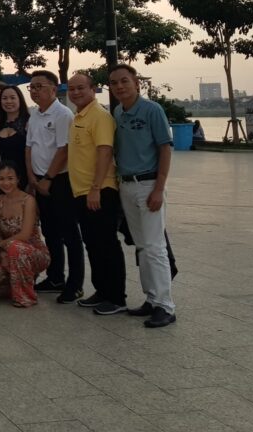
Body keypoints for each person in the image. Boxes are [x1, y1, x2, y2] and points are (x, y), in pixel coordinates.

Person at [109, 64, 176, 328]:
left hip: (149, 184)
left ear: (137, 82)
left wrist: (159, 188)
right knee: (141, 246)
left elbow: (165, 148)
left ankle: (165, 305)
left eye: (124, 81)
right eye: (114, 83)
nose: (119, 86)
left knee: (155, 246)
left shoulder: (152, 110)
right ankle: (151, 299)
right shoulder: (117, 112)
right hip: (126, 184)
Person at [66, 73, 126, 315]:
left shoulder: (99, 116)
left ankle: (116, 297)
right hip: (81, 192)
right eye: (72, 89)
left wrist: (96, 188)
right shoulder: (79, 116)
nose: (76, 92)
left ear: (93, 89)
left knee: (107, 244)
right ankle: (102, 291)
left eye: (81, 88)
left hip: (100, 191)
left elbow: (105, 151)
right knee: (93, 244)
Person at [26, 70, 84, 303]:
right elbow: (29, 147)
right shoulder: (34, 115)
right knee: (50, 231)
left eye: (40, 86)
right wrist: (32, 178)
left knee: (69, 233)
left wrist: (48, 178)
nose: (35, 91)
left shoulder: (63, 114)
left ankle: (76, 283)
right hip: (38, 179)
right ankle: (55, 276)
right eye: (32, 87)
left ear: (54, 88)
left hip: (59, 181)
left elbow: (64, 149)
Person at [0, 162, 50, 307]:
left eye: (10, 178)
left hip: (33, 252)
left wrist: (0, 246)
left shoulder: (28, 201)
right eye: (1, 179)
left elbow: (25, 235)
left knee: (16, 247)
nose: (6, 183)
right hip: (9, 250)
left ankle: (26, 297)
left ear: (18, 179)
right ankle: (16, 284)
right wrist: (2, 253)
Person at [0, 86, 30, 188]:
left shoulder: (29, 121)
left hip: (25, 176)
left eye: (13, 98)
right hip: (5, 178)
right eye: (4, 98)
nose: (8, 101)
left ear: (20, 99)